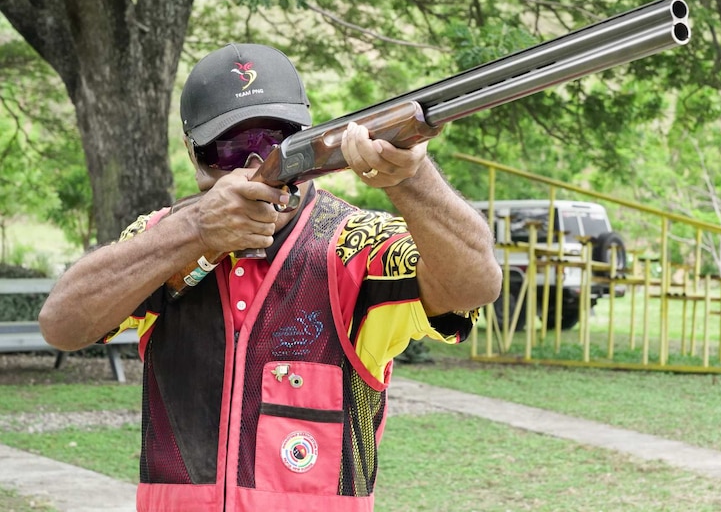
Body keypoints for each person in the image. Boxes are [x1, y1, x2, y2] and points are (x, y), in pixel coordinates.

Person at [39, 43, 501, 512]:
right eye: (230, 148)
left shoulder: (355, 243)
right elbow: (62, 325)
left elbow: (474, 287)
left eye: (276, 141)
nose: (256, 164)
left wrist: (411, 177)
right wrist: (194, 230)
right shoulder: (161, 241)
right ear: (193, 153)